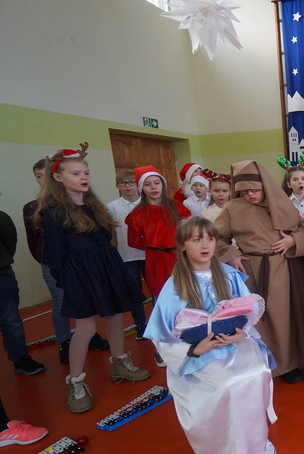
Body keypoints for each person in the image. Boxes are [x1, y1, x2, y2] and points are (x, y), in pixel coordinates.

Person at [144, 217, 277, 454]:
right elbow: (162, 335)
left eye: (210, 239)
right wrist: (194, 350)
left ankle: (258, 438)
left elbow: (247, 310)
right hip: (200, 354)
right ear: (183, 246)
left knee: (257, 372)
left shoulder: (228, 274)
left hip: (234, 343)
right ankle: (231, 446)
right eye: (196, 240)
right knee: (228, 385)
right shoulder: (175, 286)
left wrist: (242, 333)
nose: (205, 245)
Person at [36, 150, 150, 413]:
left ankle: (119, 364)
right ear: (58, 178)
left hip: (107, 268)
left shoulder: (94, 206)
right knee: (86, 327)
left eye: (86, 173)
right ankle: (75, 382)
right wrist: (68, 280)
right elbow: (53, 254)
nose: (83, 177)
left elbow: (105, 239)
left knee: (115, 317)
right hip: (79, 274)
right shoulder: (54, 211)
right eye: (76, 173)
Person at [214, 160, 304, 384]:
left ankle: (287, 364)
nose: (250, 195)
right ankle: (261, 363)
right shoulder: (231, 208)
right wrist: (231, 254)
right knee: (255, 320)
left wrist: (291, 241)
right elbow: (216, 237)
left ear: (264, 185)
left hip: (281, 268)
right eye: (244, 191)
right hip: (249, 270)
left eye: (254, 189)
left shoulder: (280, 202)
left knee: (282, 317)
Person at [24, 156, 109, 363]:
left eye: (45, 175)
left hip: (80, 262)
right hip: (54, 262)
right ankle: (64, 341)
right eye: (38, 176)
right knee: (61, 302)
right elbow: (33, 240)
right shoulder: (34, 207)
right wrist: (48, 262)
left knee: (87, 303)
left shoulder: (81, 203)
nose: (43, 180)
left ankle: (91, 336)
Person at [126, 165, 191, 299]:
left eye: (157, 183)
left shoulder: (177, 207)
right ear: (141, 188)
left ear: (163, 184)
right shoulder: (137, 214)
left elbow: (188, 231)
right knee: (160, 295)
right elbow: (133, 241)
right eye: (147, 184)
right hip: (155, 261)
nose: (153, 187)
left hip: (179, 257)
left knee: (185, 293)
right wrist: (154, 247)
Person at [0, 209, 46, 375]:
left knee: (11, 321)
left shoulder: (1, 217)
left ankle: (20, 358)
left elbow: (9, 239)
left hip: (2, 275)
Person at [106, 168, 149, 340]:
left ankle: (159, 323)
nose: (128, 186)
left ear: (138, 185)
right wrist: (114, 255)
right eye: (123, 183)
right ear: (117, 186)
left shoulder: (147, 203)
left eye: (131, 182)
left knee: (156, 291)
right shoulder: (112, 207)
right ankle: (140, 324)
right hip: (126, 256)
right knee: (133, 292)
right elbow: (112, 233)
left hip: (149, 255)